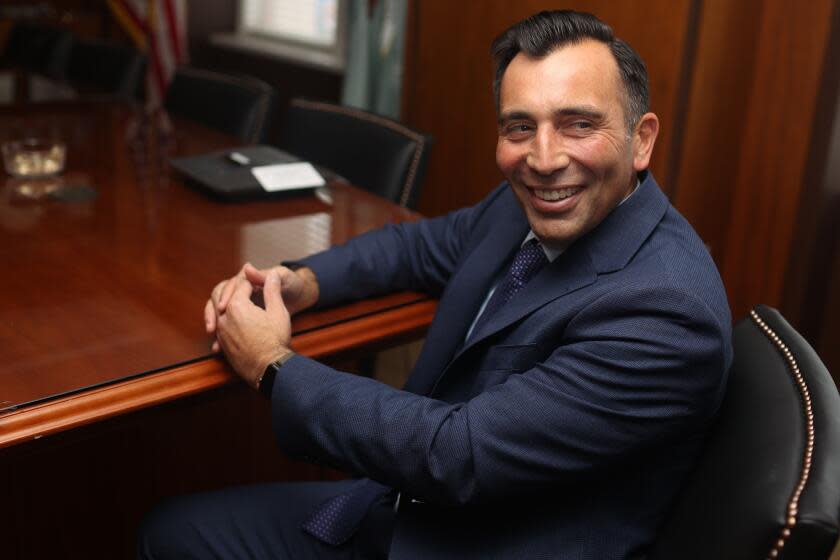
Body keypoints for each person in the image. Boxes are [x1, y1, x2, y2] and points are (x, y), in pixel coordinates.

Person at [139, 10, 732, 559]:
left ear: (642, 140)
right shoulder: (530, 199)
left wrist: (271, 364)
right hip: (410, 503)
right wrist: (301, 281)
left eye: (579, 124)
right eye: (520, 127)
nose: (545, 157)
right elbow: (421, 246)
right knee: (171, 530)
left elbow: (456, 453)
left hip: (473, 538)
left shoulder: (665, 310)